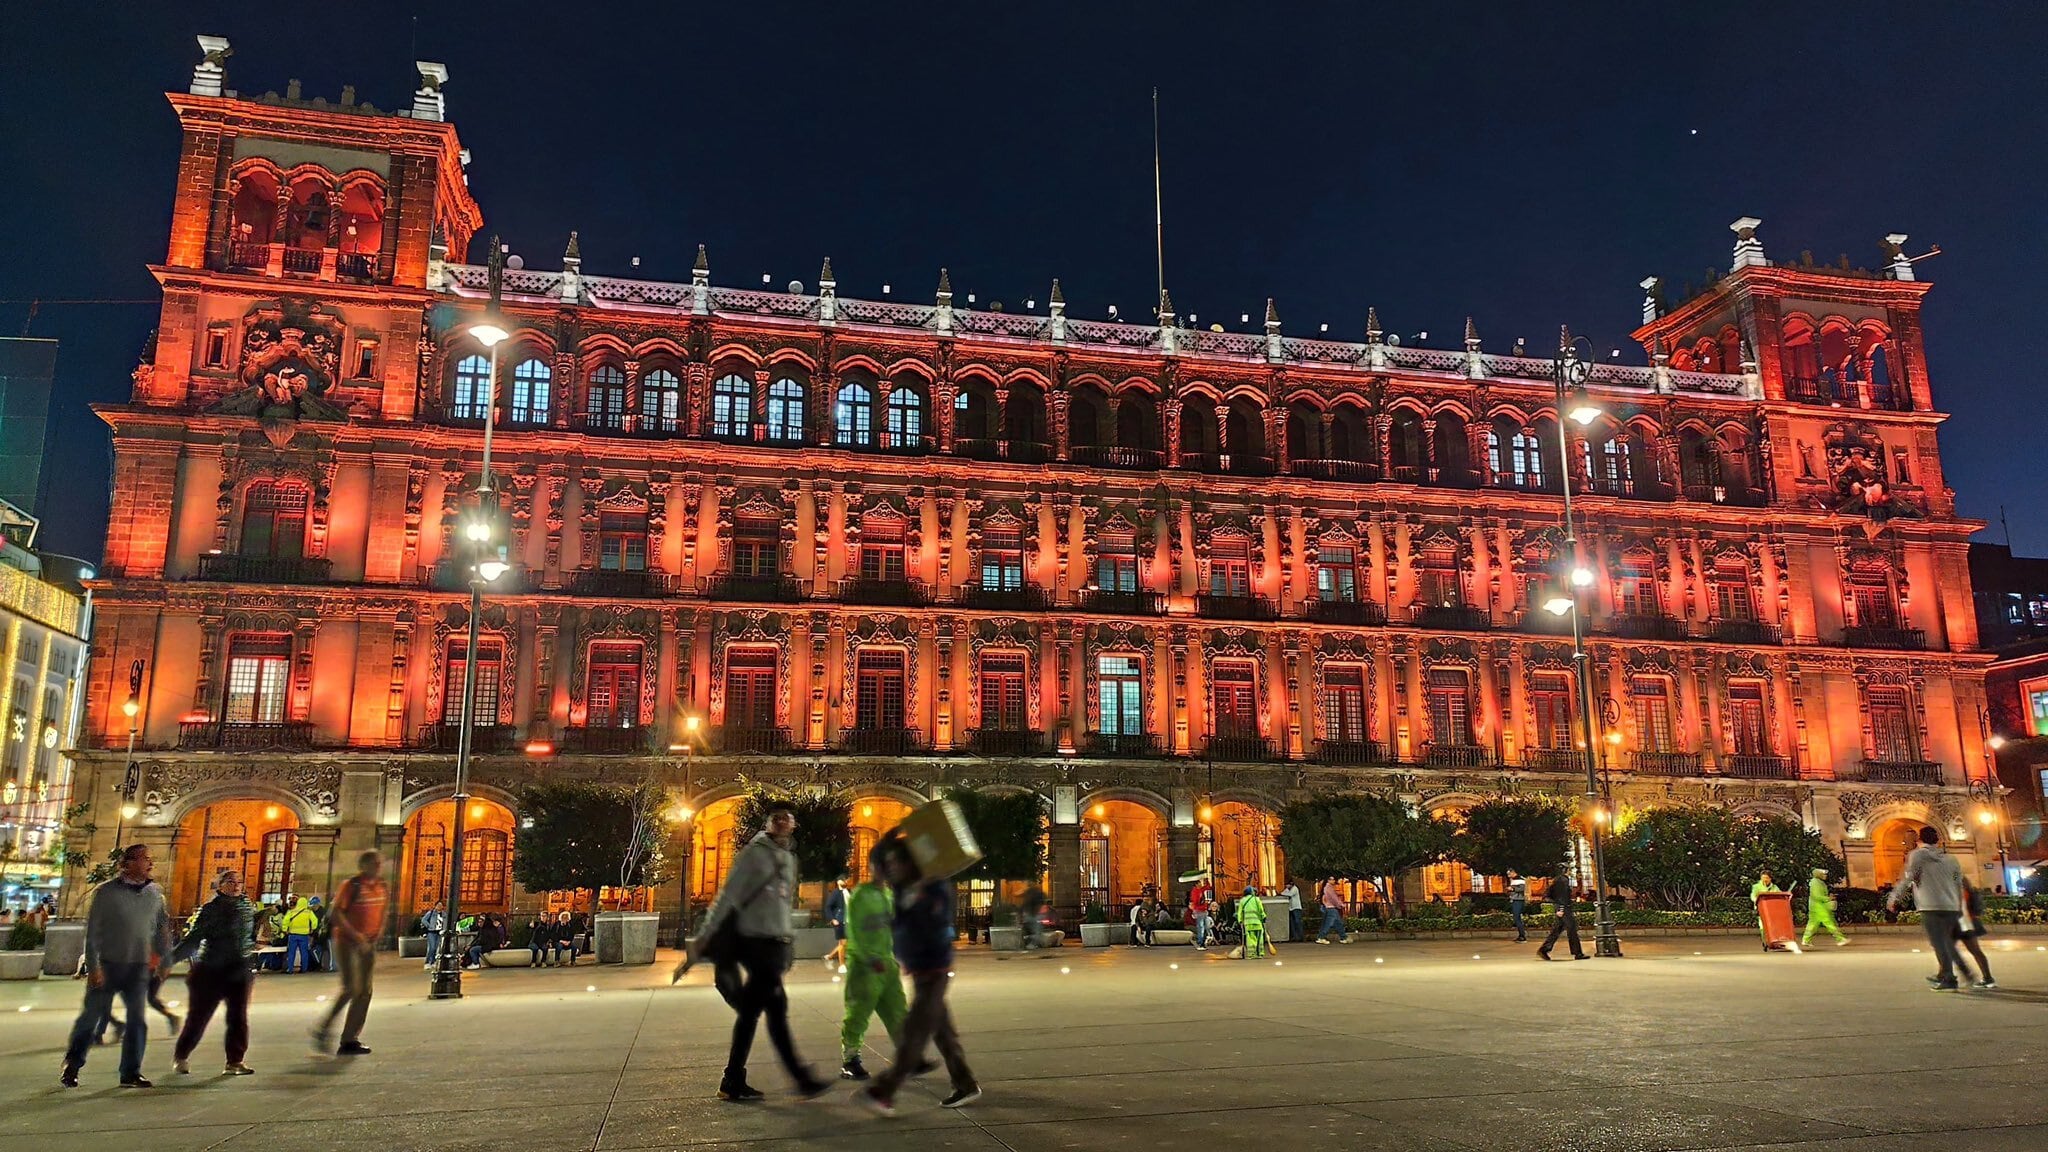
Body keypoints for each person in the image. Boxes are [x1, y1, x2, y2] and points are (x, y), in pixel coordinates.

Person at [691, 804, 829, 1102]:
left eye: (787, 817)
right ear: (768, 822)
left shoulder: (788, 857)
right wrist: (705, 935)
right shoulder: (754, 853)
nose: (781, 822)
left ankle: (733, 1080)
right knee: (773, 1011)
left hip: (773, 943)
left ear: (793, 824)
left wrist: (787, 939)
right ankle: (799, 1078)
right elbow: (729, 895)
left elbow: (782, 905)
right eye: (776, 817)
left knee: (755, 1012)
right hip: (754, 942)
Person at [855, 834, 980, 1116]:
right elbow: (879, 856)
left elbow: (936, 924)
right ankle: (965, 1083)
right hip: (918, 968)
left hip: (935, 968)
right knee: (942, 1031)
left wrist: (918, 903)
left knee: (915, 1031)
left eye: (896, 862)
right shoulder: (900, 889)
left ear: (910, 862)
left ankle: (885, 1090)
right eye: (888, 864)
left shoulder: (934, 886)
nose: (891, 868)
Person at [61, 843, 172, 1089]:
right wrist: (93, 966)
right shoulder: (106, 893)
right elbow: (93, 933)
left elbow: (162, 927)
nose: (151, 863)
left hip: (138, 966)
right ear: (128, 863)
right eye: (145, 859)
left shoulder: (155, 894)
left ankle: (130, 1072)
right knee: (90, 1019)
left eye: (150, 859)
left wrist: (165, 958)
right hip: (108, 964)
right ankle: (73, 1063)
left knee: (137, 1020)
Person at [170, 869, 257, 1076]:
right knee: (199, 1016)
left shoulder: (247, 906)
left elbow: (248, 934)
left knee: (238, 1016)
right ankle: (181, 1055)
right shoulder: (211, 909)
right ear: (220, 885)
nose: (236, 885)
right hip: (211, 969)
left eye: (239, 881)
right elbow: (194, 938)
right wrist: (169, 960)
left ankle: (235, 1061)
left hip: (240, 968)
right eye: (230, 882)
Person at [839, 845, 908, 1081]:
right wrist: (869, 959)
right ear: (873, 868)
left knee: (898, 1012)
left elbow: (893, 929)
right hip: (864, 967)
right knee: (858, 1013)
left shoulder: (888, 895)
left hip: (887, 964)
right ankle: (850, 1059)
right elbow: (854, 932)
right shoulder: (861, 895)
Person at [312, 849, 387, 1056]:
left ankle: (350, 1039)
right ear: (363, 866)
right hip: (347, 942)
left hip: (368, 944)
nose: (379, 867)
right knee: (351, 988)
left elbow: (382, 911)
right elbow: (336, 913)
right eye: (374, 863)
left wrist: (377, 932)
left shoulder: (381, 886)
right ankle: (323, 1029)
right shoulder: (351, 885)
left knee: (366, 992)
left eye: (379, 863)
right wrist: (356, 936)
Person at [1887, 825, 1967, 991]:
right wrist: (1959, 904)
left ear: (1919, 840)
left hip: (1930, 905)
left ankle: (1949, 978)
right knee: (1945, 941)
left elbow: (1908, 878)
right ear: (1938, 840)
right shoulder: (1951, 858)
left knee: (1939, 943)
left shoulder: (1917, 855)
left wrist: (1894, 897)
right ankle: (1942, 973)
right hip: (1951, 905)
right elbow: (1958, 882)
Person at [1951, 879, 1996, 990]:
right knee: (1976, 951)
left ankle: (1948, 977)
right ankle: (1987, 978)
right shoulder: (1968, 890)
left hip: (1961, 924)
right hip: (1969, 923)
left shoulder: (1957, 891)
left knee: (1948, 950)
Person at [1538, 865, 1586, 961]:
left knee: (1557, 929)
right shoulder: (1563, 880)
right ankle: (1577, 953)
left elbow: (1549, 895)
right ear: (1565, 870)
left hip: (1561, 907)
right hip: (1564, 908)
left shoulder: (1557, 880)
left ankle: (1545, 949)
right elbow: (1562, 896)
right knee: (1572, 929)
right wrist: (1561, 909)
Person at [1801, 868, 1849, 948]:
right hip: (1819, 907)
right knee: (1829, 923)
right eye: (1823, 874)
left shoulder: (1818, 882)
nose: (1825, 876)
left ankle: (1806, 940)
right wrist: (1828, 898)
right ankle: (1840, 939)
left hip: (1816, 907)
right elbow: (1817, 896)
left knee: (1812, 925)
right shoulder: (1815, 883)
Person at [280, 895, 318, 973]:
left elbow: (285, 921)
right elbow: (315, 921)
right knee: (304, 952)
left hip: (293, 935)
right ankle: (304, 969)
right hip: (304, 935)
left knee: (291, 953)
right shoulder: (309, 912)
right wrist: (313, 929)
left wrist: (285, 930)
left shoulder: (291, 911)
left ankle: (290, 969)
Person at [824, 870, 850, 972]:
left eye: (847, 880)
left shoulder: (848, 891)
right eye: (845, 880)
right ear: (839, 881)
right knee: (843, 943)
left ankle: (830, 957)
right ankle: (842, 965)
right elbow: (828, 907)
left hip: (848, 921)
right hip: (839, 921)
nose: (846, 882)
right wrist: (832, 919)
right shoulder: (835, 893)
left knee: (844, 943)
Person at [1235, 887, 1269, 959]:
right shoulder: (1257, 900)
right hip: (1258, 922)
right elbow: (1261, 910)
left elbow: (1240, 912)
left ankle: (1251, 954)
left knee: (1250, 938)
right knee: (1259, 938)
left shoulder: (1242, 901)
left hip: (1248, 923)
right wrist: (1264, 917)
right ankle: (1260, 953)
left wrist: (1240, 921)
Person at [1748, 871, 1781, 947]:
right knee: (1762, 926)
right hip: (1761, 909)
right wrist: (1756, 900)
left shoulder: (1774, 887)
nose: (1765, 880)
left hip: (1772, 909)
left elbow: (1779, 895)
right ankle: (1765, 941)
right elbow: (1753, 896)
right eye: (1763, 878)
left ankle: (1774, 941)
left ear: (1770, 879)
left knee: (1774, 926)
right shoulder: (1756, 887)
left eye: (1766, 878)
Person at [1315, 878, 1350, 945]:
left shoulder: (1326, 887)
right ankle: (1321, 937)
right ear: (1328, 880)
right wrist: (1340, 904)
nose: (1334, 881)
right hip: (1331, 907)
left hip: (1329, 907)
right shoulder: (1329, 888)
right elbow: (1333, 898)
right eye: (1332, 879)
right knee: (1328, 923)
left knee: (1337, 923)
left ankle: (1344, 937)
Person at [1188, 878, 1213, 951]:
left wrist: (1207, 881)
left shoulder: (1200, 890)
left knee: (1206, 926)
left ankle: (1203, 942)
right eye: (1200, 883)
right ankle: (1200, 942)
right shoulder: (1195, 891)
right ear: (1196, 884)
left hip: (1203, 910)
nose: (1201, 884)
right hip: (1199, 911)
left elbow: (1208, 887)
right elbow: (1195, 902)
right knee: (1201, 927)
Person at [420, 902, 446, 971]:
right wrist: (429, 926)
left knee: (437, 948)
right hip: (431, 932)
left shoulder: (444, 914)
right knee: (432, 947)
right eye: (438, 905)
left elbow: (445, 922)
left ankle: (433, 961)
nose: (439, 906)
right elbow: (423, 920)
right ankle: (428, 962)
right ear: (435, 906)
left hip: (439, 932)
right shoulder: (431, 913)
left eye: (441, 905)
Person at [1507, 870, 1528, 943]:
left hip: (1518, 900)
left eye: (1510, 873)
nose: (1509, 875)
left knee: (1517, 918)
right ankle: (1521, 935)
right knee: (1517, 918)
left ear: (1515, 873)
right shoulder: (1514, 880)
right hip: (1515, 900)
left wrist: (1513, 889)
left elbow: (1522, 889)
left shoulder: (1520, 880)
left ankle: (1522, 936)